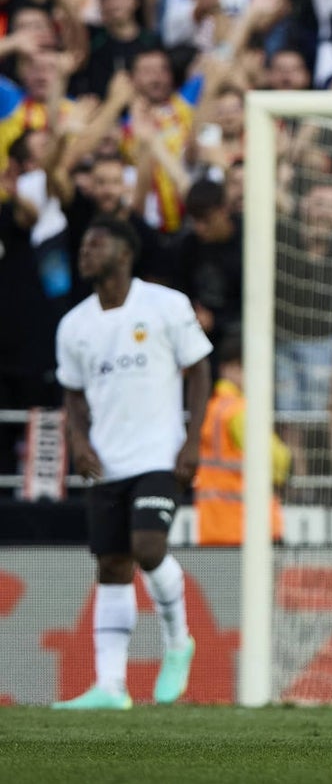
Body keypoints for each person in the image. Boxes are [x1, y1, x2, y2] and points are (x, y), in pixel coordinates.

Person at [51, 216, 212, 709]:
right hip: (108, 461)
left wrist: (191, 439)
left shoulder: (164, 305)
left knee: (146, 546)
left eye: (96, 244)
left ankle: (178, 641)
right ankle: (110, 686)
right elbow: (73, 394)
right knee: (112, 565)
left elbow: (199, 368)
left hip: (160, 455)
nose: (85, 252)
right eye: (83, 244)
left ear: (124, 253)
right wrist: (79, 442)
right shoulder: (73, 325)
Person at [194, 332, 290, 546]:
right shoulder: (239, 411)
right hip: (251, 528)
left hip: (212, 529)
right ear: (233, 368)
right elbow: (278, 460)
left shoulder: (211, 409)